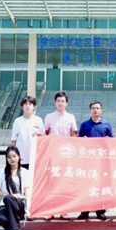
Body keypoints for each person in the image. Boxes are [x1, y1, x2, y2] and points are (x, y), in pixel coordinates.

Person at [76, 101, 113, 221]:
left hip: (101, 161)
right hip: (88, 160)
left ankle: (100, 211)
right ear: (90, 110)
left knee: (100, 185)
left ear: (101, 110)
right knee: (86, 185)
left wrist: (108, 140)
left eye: (97, 108)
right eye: (93, 108)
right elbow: (79, 142)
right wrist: (83, 140)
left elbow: (112, 141)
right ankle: (84, 211)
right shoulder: (84, 125)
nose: (95, 110)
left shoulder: (106, 124)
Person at [43, 91, 76, 220]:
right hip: (52, 153)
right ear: (55, 102)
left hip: (66, 154)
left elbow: (73, 134)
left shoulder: (71, 117)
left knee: (64, 182)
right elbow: (45, 134)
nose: (60, 103)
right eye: (58, 101)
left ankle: (64, 210)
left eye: (63, 101)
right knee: (51, 182)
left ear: (66, 103)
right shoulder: (49, 117)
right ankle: (50, 210)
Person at [0, 146, 30, 230]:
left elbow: (27, 192)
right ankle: (15, 228)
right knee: (1, 219)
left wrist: (28, 209)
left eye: (14, 156)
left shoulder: (24, 172)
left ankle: (13, 228)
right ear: (6, 159)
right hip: (5, 204)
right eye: (9, 157)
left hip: (19, 205)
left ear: (19, 156)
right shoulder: (3, 172)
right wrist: (9, 196)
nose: (12, 159)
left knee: (9, 199)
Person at [11, 95, 43, 170]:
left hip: (34, 156)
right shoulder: (17, 121)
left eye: (30, 104)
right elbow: (13, 140)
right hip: (21, 156)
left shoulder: (38, 120)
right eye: (25, 104)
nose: (28, 106)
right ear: (22, 106)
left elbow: (43, 138)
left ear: (34, 106)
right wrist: (13, 155)